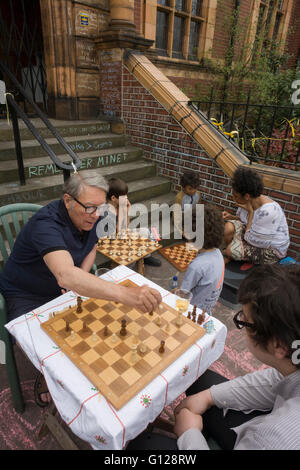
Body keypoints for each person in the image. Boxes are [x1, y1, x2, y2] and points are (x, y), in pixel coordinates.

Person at [127, 264, 300, 450]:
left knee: (142, 445)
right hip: (265, 422)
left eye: (244, 320)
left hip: (261, 439)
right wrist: (208, 397)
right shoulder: (292, 361)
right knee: (202, 381)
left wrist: (189, 433)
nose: (241, 321)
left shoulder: (274, 439)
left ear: (278, 346)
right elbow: (275, 381)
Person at [0, 171, 162, 322]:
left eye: (101, 207)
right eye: (90, 207)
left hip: (64, 291)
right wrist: (125, 294)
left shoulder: (94, 213)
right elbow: (65, 275)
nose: (97, 215)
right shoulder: (45, 224)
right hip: (26, 294)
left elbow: (92, 247)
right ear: (68, 200)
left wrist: (79, 277)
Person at [223, 166, 290, 264]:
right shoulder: (250, 200)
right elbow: (244, 222)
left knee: (230, 250)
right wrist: (231, 217)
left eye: (236, 196)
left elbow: (252, 241)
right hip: (253, 236)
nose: (234, 199)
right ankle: (233, 254)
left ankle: (231, 253)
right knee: (228, 227)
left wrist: (250, 213)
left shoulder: (268, 211)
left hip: (271, 251)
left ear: (246, 196)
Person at [103, 176, 161, 267]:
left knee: (146, 231)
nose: (126, 198)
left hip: (121, 234)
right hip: (111, 241)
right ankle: (127, 268)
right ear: (113, 198)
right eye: (124, 196)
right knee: (131, 247)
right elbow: (120, 233)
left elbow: (126, 227)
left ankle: (146, 257)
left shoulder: (119, 205)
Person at [180, 204, 225, 314]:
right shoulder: (218, 254)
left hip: (191, 312)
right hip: (207, 310)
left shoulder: (197, 266)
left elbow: (183, 293)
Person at [174, 170, 202, 240]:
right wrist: (182, 231)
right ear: (183, 187)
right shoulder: (179, 197)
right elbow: (176, 216)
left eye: (195, 188)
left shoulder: (198, 194)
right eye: (190, 189)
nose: (193, 191)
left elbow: (198, 208)